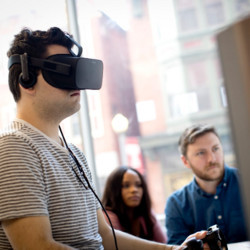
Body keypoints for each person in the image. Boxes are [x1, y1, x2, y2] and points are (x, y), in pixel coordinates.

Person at [0, 26, 207, 250]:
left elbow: (105, 236)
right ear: (26, 79)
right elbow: (36, 247)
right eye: (63, 70)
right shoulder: (14, 148)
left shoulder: (74, 153)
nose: (76, 82)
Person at [165, 123, 247, 245]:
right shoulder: (176, 204)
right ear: (185, 161)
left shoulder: (246, 182)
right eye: (201, 153)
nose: (212, 159)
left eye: (215, 149)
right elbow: (177, 247)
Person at [102, 166, 167, 243]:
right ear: (114, 190)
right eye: (126, 186)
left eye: (138, 185)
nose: (134, 190)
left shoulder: (146, 213)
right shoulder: (108, 217)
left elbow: (163, 243)